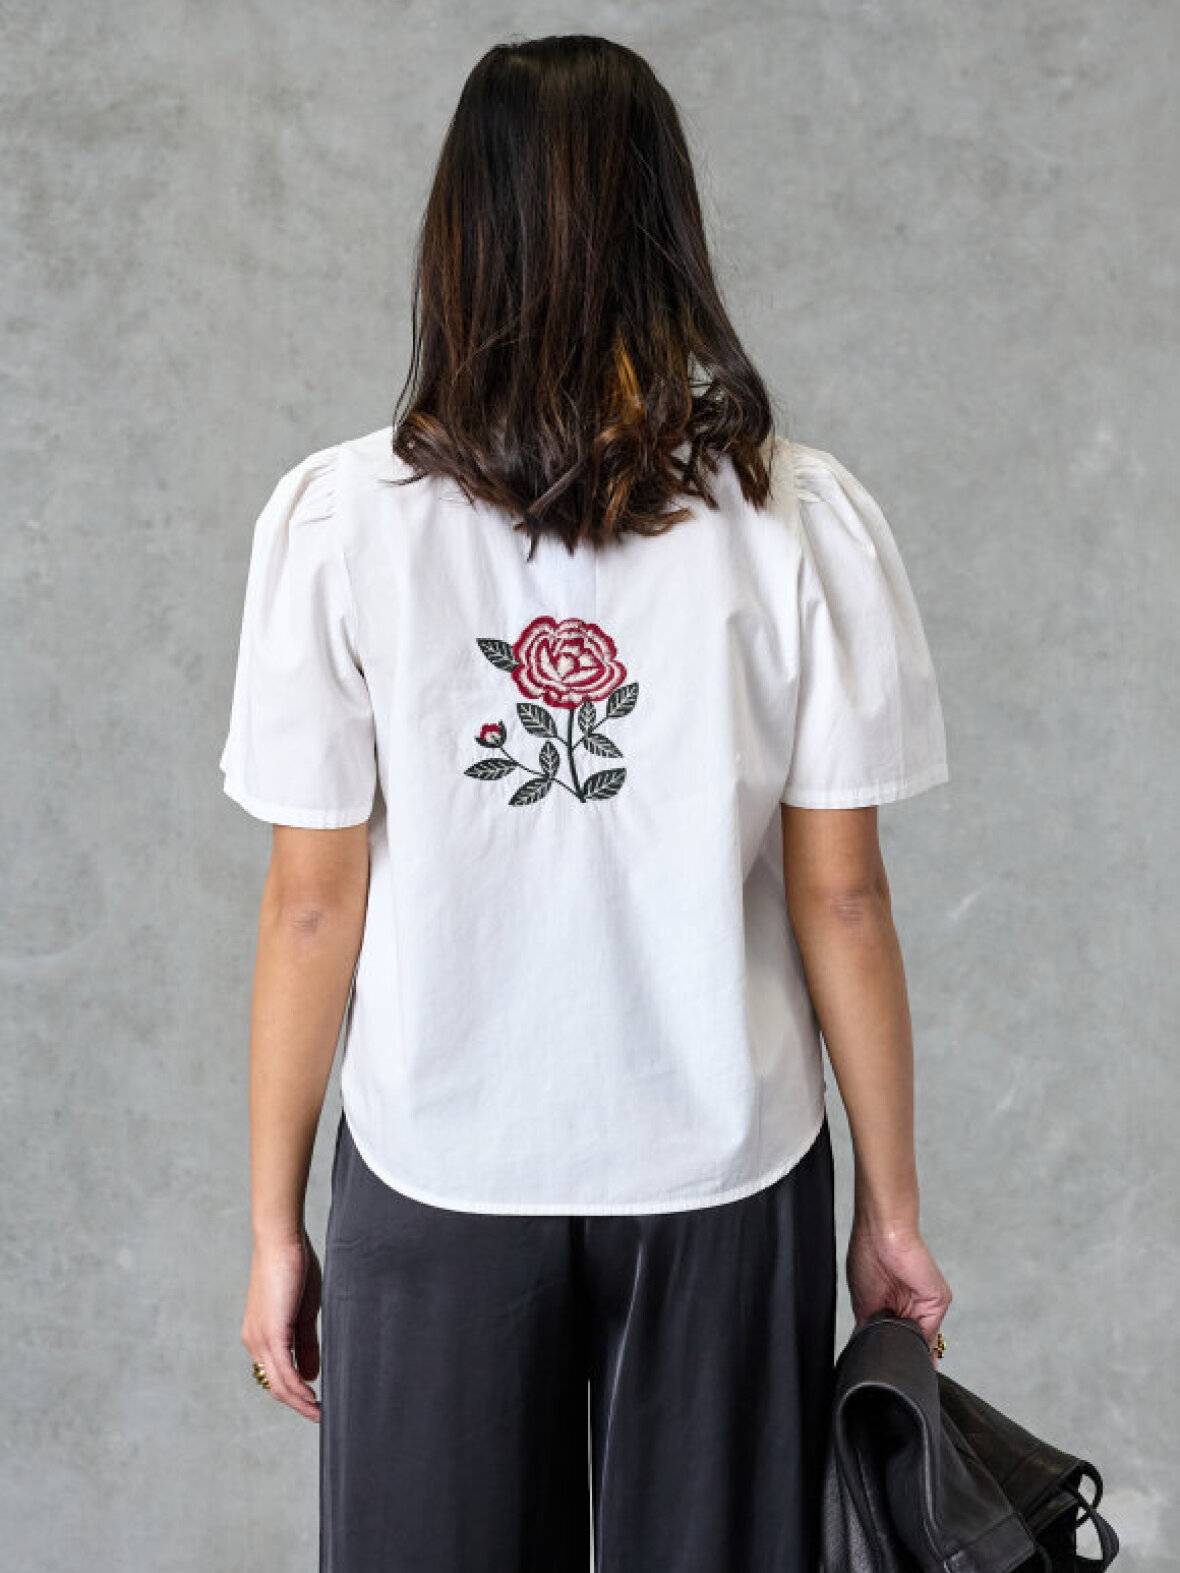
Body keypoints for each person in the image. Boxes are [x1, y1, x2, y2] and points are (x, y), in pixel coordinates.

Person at [220, 32, 954, 1573]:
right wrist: (889, 1211)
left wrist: (277, 1224)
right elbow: (842, 895)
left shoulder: (345, 524)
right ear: (665, 230)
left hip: (439, 1158)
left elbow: (310, 907)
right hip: (723, 1158)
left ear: (460, 235)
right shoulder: (796, 516)